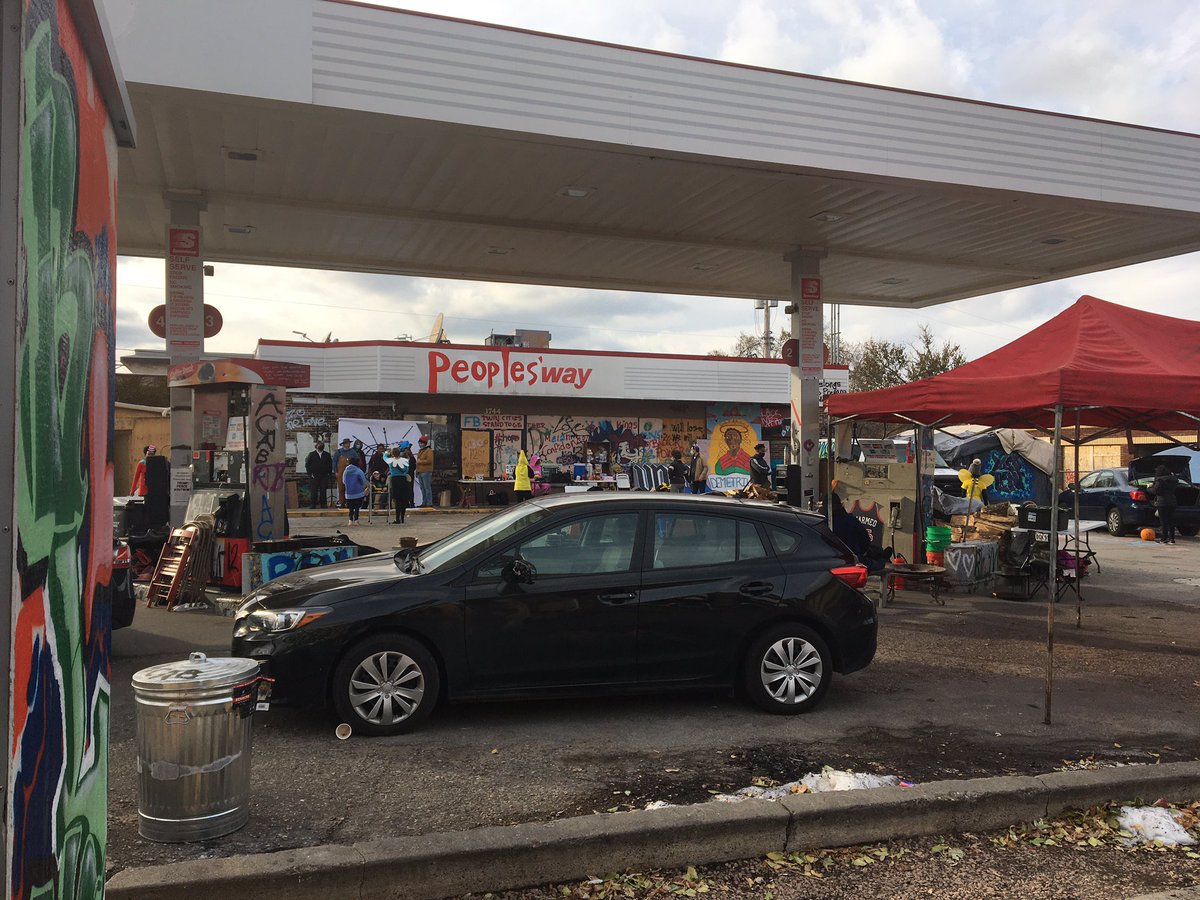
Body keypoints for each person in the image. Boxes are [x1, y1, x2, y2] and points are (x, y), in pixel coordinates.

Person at [1150, 464, 1180, 544]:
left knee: (1163, 521)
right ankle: (1172, 538)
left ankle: (1164, 538)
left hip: (1162, 502)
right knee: (1171, 520)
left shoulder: (1160, 480)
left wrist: (1149, 488)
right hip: (1172, 502)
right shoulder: (1174, 480)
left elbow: (1156, 491)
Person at [387, 443, 414, 523]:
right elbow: (406, 470)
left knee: (397, 499)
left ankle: (397, 518)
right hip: (403, 479)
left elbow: (386, 458)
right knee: (403, 499)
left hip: (395, 479)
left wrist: (387, 453)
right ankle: (402, 518)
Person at [305, 441, 333, 508]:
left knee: (323, 490)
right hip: (314, 475)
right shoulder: (311, 454)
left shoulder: (327, 454)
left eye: (321, 445)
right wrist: (310, 473)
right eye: (319, 445)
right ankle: (313, 504)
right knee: (313, 490)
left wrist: (329, 473)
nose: (320, 446)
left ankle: (323, 504)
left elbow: (330, 464)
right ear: (316, 446)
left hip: (324, 475)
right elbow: (307, 465)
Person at [343, 457, 367, 526]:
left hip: (348, 493)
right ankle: (356, 520)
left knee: (350, 508)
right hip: (358, 493)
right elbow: (364, 481)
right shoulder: (359, 471)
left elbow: (343, 481)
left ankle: (350, 520)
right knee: (357, 507)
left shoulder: (346, 471)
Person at [333, 438, 356, 507]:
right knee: (341, 488)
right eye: (346, 443)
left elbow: (357, 461)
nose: (347, 445)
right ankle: (342, 502)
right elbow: (334, 462)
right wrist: (335, 472)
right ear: (343, 444)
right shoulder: (339, 452)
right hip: (340, 472)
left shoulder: (353, 452)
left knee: (349, 488)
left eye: (348, 443)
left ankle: (349, 503)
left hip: (350, 473)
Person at [368, 443, 390, 510]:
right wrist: (372, 475)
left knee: (384, 491)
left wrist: (384, 475)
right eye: (380, 449)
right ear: (377, 449)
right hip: (375, 477)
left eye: (382, 449)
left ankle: (383, 506)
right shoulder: (373, 457)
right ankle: (373, 506)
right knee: (373, 492)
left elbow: (388, 467)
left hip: (383, 477)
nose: (381, 450)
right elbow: (370, 467)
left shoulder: (386, 457)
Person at [415, 435, 435, 507]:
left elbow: (429, 461)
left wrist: (420, 461)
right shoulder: (421, 451)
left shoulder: (429, 451)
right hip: (420, 472)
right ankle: (424, 502)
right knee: (422, 488)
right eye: (419, 443)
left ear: (424, 443)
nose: (420, 444)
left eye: (421, 443)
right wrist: (417, 471)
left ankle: (429, 503)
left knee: (427, 488)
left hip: (426, 472)